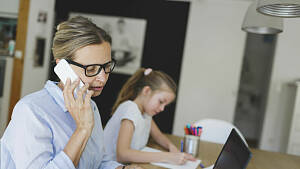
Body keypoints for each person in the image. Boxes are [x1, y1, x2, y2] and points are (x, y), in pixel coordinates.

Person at [0, 16, 141, 169]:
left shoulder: (90, 106)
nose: (102, 78)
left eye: (107, 66)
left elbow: (97, 162)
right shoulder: (31, 111)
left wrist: (122, 168)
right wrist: (82, 129)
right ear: (63, 67)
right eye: (91, 69)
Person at [104, 68, 196, 165]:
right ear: (146, 91)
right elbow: (122, 155)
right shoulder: (130, 110)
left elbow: (158, 136)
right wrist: (168, 157)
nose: (162, 109)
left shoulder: (145, 113)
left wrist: (171, 147)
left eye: (165, 105)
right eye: (161, 102)